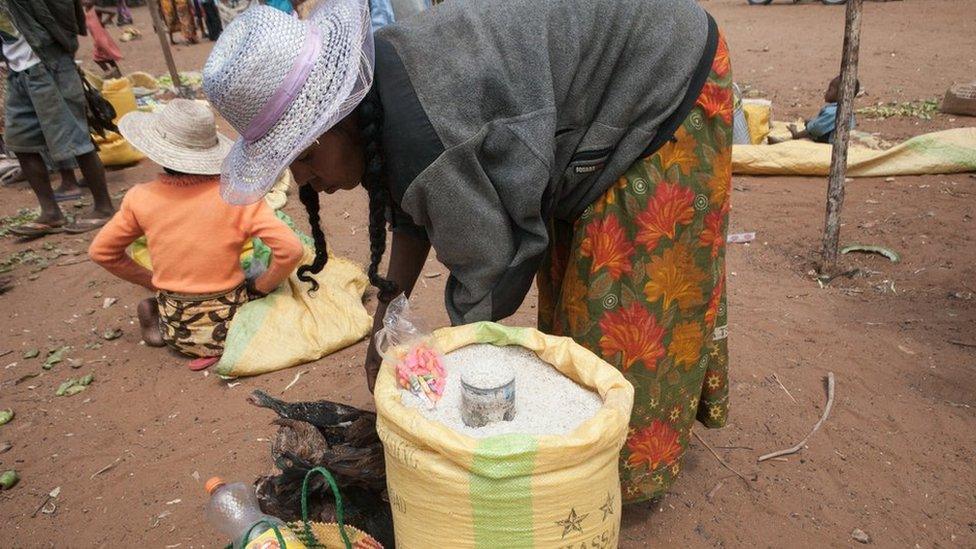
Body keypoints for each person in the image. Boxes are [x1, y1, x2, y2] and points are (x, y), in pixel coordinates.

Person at [203, 0, 732, 504]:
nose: (302, 180)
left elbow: (490, 274)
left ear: (326, 129)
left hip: (662, 70)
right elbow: (413, 213)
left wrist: (450, 393)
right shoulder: (380, 99)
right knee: (577, 294)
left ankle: (622, 478)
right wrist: (385, 321)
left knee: (621, 309)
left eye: (297, 160)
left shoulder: (428, 137)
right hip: (615, 60)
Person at [88, 99, 304, 369]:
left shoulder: (139, 198)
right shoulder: (237, 197)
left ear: (159, 152)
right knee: (264, 272)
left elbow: (101, 251)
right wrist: (262, 286)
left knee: (170, 279)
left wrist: (153, 281)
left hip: (177, 327)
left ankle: (158, 315)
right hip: (231, 326)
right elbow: (292, 250)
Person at [1, 0, 116, 237]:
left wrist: (58, 43)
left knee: (75, 138)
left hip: (49, 64)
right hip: (17, 71)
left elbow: (67, 10)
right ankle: (51, 213)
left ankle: (104, 207)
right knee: (21, 143)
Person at [776, 75, 859, 144]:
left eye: (830, 89)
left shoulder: (834, 112)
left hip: (830, 142)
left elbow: (816, 129)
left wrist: (804, 129)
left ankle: (794, 136)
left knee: (806, 136)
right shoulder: (846, 110)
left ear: (840, 94)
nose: (826, 92)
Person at [83, 0, 123, 78]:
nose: (86, 1)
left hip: (101, 36)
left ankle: (110, 74)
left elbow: (112, 12)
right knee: (107, 57)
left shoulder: (95, 9)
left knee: (97, 58)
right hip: (97, 37)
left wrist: (104, 22)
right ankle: (117, 75)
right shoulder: (86, 10)